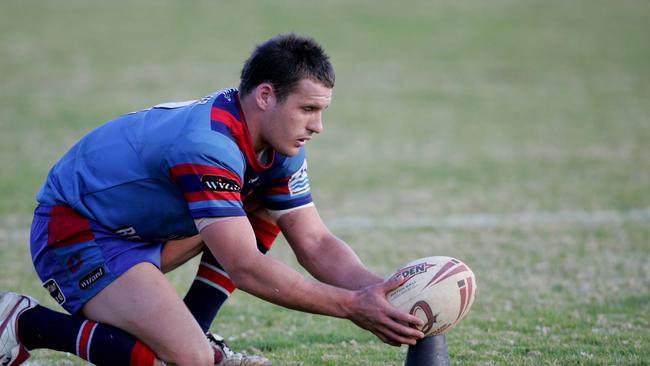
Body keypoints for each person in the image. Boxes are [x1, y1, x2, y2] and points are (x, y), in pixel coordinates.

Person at [0, 33, 424, 366]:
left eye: (322, 111)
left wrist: (385, 294)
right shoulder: (209, 147)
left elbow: (314, 242)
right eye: (308, 109)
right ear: (265, 95)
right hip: (76, 231)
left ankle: (196, 328)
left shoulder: (278, 145)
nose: (318, 126)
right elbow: (245, 266)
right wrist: (352, 306)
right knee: (187, 360)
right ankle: (24, 323)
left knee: (260, 203)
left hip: (141, 232)